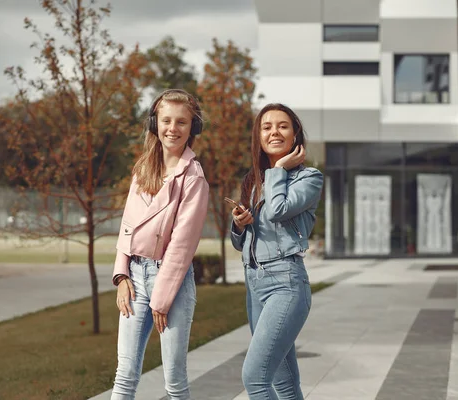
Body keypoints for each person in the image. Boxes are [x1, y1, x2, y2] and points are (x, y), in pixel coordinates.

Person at [110, 89, 209, 400]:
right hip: (135, 278)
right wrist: (121, 276)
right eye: (166, 120)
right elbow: (127, 226)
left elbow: (181, 246)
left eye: (182, 122)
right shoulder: (143, 169)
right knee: (124, 375)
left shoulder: (193, 177)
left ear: (193, 127)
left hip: (173, 284)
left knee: (174, 380)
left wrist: (162, 299)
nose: (173, 128)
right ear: (155, 123)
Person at [230, 103, 323, 399]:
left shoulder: (309, 178)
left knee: (255, 377)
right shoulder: (253, 182)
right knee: (283, 381)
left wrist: (279, 169)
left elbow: (279, 210)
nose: (274, 132)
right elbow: (240, 244)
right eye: (266, 127)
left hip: (287, 283)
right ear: (258, 136)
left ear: (295, 134)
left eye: (283, 126)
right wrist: (240, 225)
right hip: (255, 284)